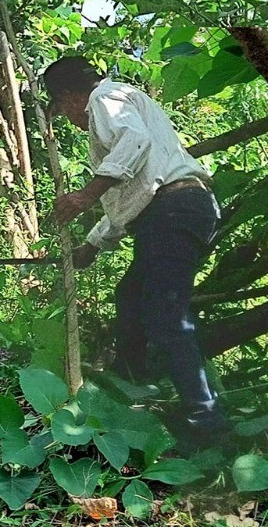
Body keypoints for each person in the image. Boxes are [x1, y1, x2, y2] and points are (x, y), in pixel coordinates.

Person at [44, 56, 230, 445]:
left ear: (68, 96)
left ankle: (205, 422)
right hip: (173, 210)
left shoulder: (106, 98)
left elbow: (135, 144)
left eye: (60, 107)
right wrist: (91, 245)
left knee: (166, 315)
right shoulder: (121, 100)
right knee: (130, 296)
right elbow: (135, 194)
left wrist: (85, 195)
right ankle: (130, 383)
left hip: (173, 209)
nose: (65, 116)